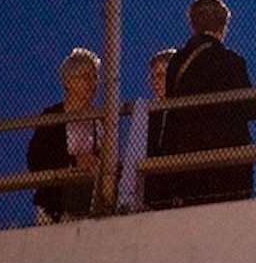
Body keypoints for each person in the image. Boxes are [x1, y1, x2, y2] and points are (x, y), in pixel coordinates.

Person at [148, 0, 256, 207]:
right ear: (223, 26)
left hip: (187, 164)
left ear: (193, 25)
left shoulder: (177, 62)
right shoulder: (231, 61)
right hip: (229, 165)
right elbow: (253, 108)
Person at [25, 48, 102, 223]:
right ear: (68, 82)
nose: (93, 83)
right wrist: (73, 162)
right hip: (56, 206)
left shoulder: (100, 119)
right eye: (86, 77)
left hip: (92, 204)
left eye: (95, 77)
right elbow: (35, 159)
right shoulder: (53, 117)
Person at [116, 48, 173, 212]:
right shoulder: (148, 113)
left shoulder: (185, 112)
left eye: (161, 76)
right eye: (153, 77)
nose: (156, 82)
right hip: (150, 194)